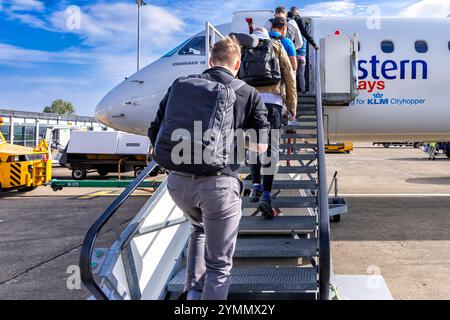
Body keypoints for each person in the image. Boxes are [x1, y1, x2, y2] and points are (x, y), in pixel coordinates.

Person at [148, 37, 270, 300]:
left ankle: (192, 296)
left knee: (199, 229)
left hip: (177, 184)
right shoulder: (249, 93)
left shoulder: (181, 86)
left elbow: (154, 131)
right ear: (237, 64)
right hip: (218, 186)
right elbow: (262, 147)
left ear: (209, 61)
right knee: (219, 266)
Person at [244, 27, 297, 218]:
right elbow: (289, 76)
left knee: (252, 147)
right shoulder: (276, 45)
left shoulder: (244, 47)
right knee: (271, 148)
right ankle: (266, 193)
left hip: (250, 102)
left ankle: (255, 186)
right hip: (273, 103)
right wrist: (292, 105)